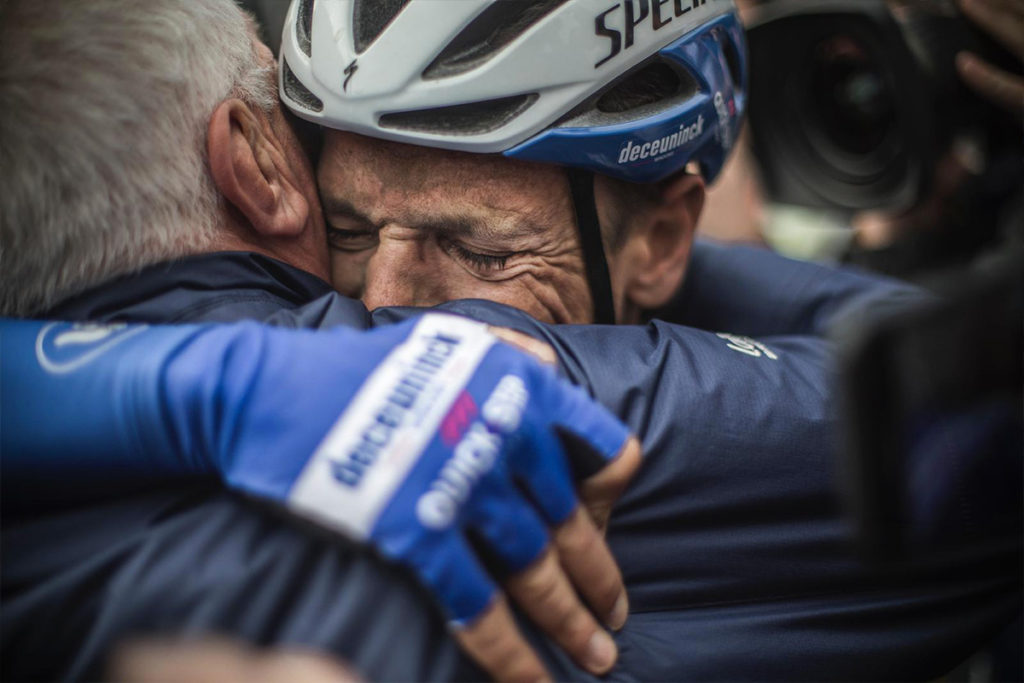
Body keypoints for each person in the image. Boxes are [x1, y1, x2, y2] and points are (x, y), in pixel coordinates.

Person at [2, 2, 1019, 682]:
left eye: (473, 248)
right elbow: (965, 407)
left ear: (667, 235)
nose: (387, 308)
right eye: (351, 229)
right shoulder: (500, 405)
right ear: (259, 164)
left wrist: (138, 384)